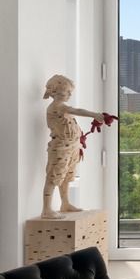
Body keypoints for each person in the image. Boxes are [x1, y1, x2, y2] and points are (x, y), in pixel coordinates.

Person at [41, 74, 104, 219]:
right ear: (54, 92)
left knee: (67, 175)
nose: (69, 94)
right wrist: (95, 115)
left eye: (70, 92)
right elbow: (77, 111)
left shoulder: (62, 107)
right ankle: (47, 209)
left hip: (72, 146)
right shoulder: (57, 107)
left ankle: (65, 203)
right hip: (61, 146)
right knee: (54, 176)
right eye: (66, 91)